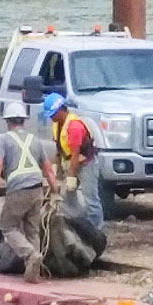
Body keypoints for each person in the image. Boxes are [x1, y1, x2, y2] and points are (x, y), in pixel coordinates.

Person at [0, 103, 59, 283]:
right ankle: (34, 272)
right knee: (32, 230)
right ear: (23, 121)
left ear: (8, 122)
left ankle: (31, 255)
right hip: (37, 189)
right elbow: (48, 169)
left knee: (8, 226)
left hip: (18, 189)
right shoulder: (35, 140)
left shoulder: (3, 140)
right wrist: (55, 191)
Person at [45, 92, 102, 229]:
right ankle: (76, 226)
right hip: (71, 163)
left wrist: (71, 176)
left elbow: (76, 154)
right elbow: (59, 148)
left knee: (91, 201)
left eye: (52, 114)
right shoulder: (58, 125)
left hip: (86, 164)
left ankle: (96, 230)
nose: (51, 117)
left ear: (60, 110)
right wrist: (55, 166)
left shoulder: (74, 126)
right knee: (69, 200)